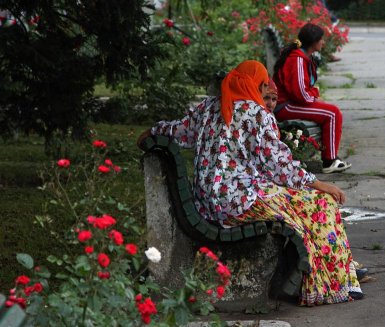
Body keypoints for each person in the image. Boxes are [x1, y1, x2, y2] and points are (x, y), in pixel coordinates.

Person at [137, 60, 363, 306]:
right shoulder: (256, 114)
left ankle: (341, 270)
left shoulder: (208, 107)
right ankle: (335, 283)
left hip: (207, 203)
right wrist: (319, 184)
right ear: (257, 84)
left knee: (305, 205)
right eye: (264, 84)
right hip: (240, 201)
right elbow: (279, 164)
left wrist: (152, 131)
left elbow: (178, 131)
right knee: (321, 205)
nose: (266, 88)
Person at [273, 23, 350, 174]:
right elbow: (300, 94)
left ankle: (331, 158)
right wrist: (314, 96)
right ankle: (329, 161)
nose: (323, 42)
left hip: (290, 103)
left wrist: (313, 98)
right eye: (321, 39)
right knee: (332, 113)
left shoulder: (301, 56)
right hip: (284, 105)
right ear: (313, 42)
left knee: (331, 111)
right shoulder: (298, 60)